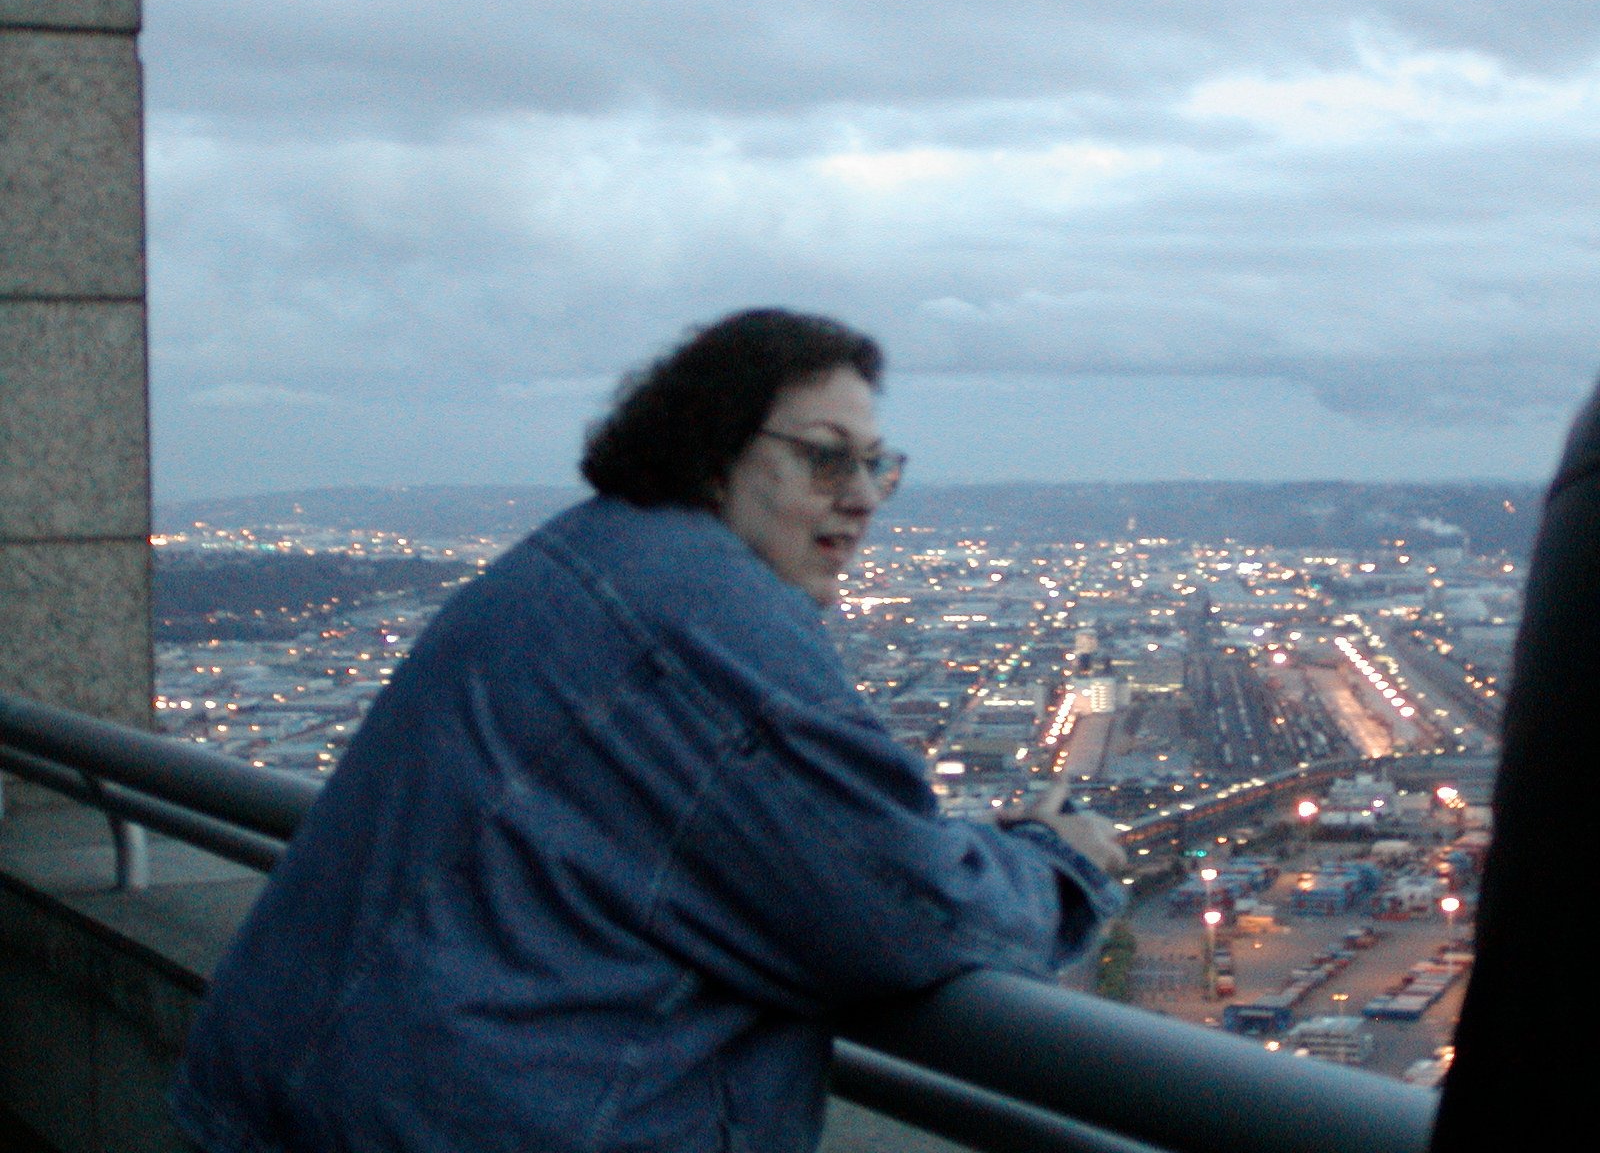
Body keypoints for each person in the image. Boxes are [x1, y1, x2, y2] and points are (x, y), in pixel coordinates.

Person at [170, 308, 1127, 1153]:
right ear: (713, 451)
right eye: (825, 456)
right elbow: (899, 912)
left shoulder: (586, 562)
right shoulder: (706, 622)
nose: (865, 494)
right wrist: (1058, 861)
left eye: (878, 463)